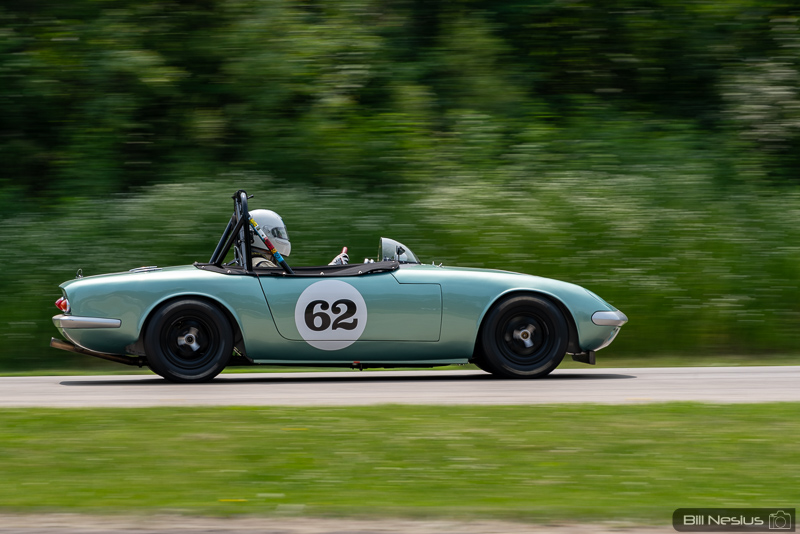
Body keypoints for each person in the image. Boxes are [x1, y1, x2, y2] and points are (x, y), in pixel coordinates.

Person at [249, 209, 348, 268]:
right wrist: (332, 269)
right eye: (278, 233)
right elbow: (290, 286)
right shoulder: (261, 264)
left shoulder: (254, 262)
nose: (282, 237)